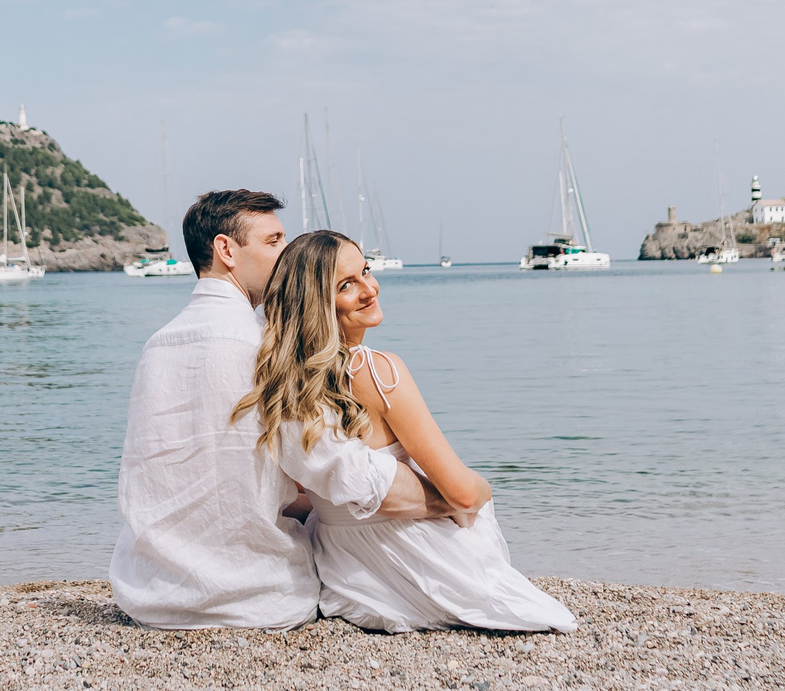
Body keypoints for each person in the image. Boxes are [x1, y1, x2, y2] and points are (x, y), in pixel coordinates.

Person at [110, 189, 459, 629]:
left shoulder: (156, 346)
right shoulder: (265, 347)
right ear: (226, 250)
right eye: (274, 241)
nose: (287, 254)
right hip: (253, 596)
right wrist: (447, 500)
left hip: (148, 593)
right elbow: (345, 471)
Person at [240, 229, 574, 632]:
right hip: (417, 560)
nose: (370, 289)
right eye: (347, 285)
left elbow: (302, 494)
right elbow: (463, 494)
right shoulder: (377, 371)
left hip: (343, 570)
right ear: (317, 304)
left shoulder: (283, 383)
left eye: (366, 271)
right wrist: (485, 490)